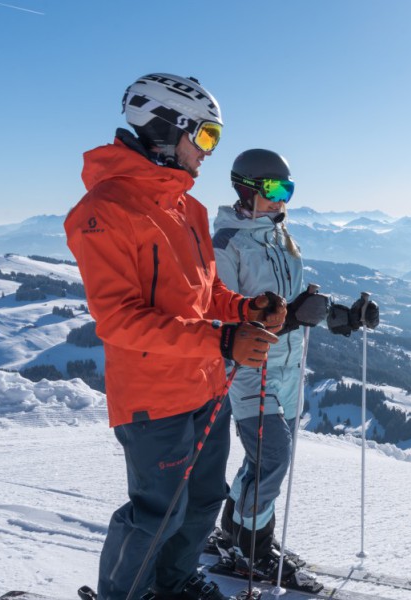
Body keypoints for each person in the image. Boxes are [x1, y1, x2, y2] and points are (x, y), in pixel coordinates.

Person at [64, 73, 286, 600]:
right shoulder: (103, 211)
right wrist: (222, 342)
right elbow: (118, 320)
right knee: (158, 512)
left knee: (205, 501)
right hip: (152, 398)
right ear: (168, 128)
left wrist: (244, 308)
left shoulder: (189, 209)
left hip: (206, 387)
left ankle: (176, 585)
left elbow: (203, 295)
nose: (210, 151)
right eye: (206, 137)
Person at [209, 149, 330, 592]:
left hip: (288, 371)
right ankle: (254, 551)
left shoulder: (281, 240)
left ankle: (235, 532)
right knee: (273, 459)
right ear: (246, 190)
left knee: (263, 462)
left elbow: (297, 302)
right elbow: (219, 313)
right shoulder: (228, 245)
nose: (283, 199)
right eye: (276, 190)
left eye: (288, 190)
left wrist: (341, 315)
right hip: (250, 370)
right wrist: (294, 317)